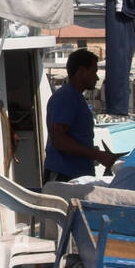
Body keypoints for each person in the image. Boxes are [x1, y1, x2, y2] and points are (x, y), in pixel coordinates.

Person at [44, 49, 120, 183]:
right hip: (65, 177)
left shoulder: (73, 96)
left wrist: (93, 152)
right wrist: (97, 155)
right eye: (94, 71)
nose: (96, 77)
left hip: (75, 176)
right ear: (81, 71)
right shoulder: (67, 97)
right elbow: (59, 139)